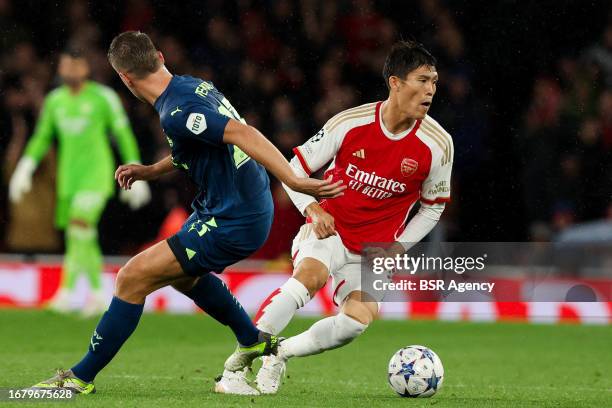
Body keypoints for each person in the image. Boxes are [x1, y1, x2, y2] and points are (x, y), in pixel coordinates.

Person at [31, 31, 344, 395]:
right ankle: (251, 338)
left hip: (236, 217)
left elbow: (243, 133)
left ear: (124, 78)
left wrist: (294, 179)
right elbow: (192, 149)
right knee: (181, 275)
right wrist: (150, 170)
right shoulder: (192, 87)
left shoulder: (177, 112)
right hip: (230, 204)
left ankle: (79, 378)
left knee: (131, 277)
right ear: (160, 57)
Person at [219, 40, 454, 394]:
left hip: (373, 250)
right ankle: (234, 368)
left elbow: (433, 206)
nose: (431, 90)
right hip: (330, 229)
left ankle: (278, 354)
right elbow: (294, 167)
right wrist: (312, 210)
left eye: (434, 82)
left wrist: (398, 246)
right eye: (422, 80)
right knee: (307, 280)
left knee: (355, 323)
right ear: (395, 82)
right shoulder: (351, 122)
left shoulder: (438, 144)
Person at [8, 47, 151, 316]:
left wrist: (138, 172)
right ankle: (70, 290)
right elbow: (42, 137)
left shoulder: (103, 98)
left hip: (96, 175)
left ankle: (94, 293)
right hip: (68, 180)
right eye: (66, 65)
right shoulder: (55, 101)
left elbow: (123, 135)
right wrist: (25, 167)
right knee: (77, 235)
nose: (71, 70)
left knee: (80, 225)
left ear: (86, 68)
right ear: (60, 69)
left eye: (76, 65)